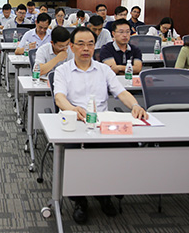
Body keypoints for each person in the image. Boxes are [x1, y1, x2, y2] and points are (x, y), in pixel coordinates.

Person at [53, 26, 148, 224]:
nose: (86, 48)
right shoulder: (62, 70)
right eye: (80, 44)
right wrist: (72, 109)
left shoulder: (104, 70)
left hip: (102, 125)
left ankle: (105, 193)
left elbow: (121, 92)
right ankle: (80, 200)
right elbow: (59, 97)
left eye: (90, 44)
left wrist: (135, 106)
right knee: (74, 154)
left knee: (124, 148)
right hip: (76, 124)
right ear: (71, 47)